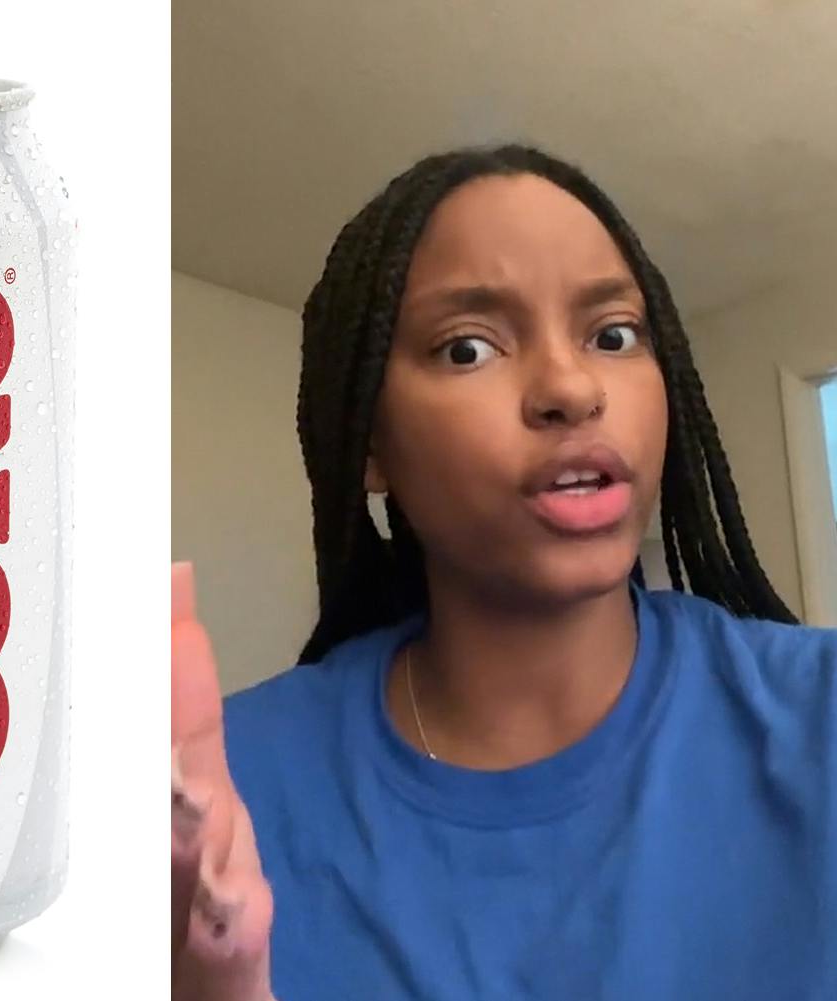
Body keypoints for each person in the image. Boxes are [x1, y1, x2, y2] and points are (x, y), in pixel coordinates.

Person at [171, 144, 837, 999]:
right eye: (467, 349)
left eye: (613, 334)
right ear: (370, 442)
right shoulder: (217, 799)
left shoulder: (817, 717)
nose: (570, 387)